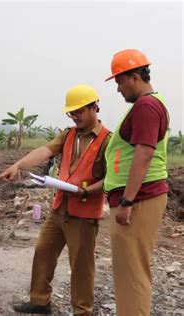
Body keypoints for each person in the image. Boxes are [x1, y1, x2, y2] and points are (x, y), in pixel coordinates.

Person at [0, 84, 111, 315]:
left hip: (84, 214)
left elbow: (113, 179)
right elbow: (45, 151)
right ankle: (40, 301)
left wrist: (86, 192)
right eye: (72, 113)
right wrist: (18, 165)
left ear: (94, 108)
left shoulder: (108, 140)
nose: (75, 116)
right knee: (43, 251)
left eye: (79, 111)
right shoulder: (68, 135)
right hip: (60, 209)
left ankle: (83, 311)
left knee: (81, 267)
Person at [104, 49, 169, 315]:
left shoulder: (146, 106)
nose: (118, 89)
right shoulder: (149, 105)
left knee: (132, 273)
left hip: (139, 198)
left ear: (134, 77)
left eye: (120, 81)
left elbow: (144, 153)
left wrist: (127, 201)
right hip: (140, 196)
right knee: (129, 271)